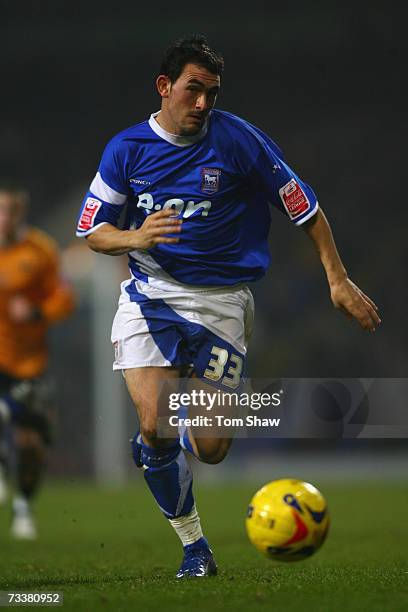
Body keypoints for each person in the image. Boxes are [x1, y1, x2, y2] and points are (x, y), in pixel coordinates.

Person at [76, 35, 381, 577]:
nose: (203, 104)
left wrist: (338, 280)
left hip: (223, 305)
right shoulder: (125, 150)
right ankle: (195, 548)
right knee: (155, 425)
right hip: (151, 298)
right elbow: (93, 233)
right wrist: (135, 238)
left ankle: (169, 440)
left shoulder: (239, 141)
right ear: (164, 87)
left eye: (212, 94)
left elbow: (304, 207)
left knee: (212, 448)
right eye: (193, 90)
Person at [0, 181, 75, 539]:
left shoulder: (40, 250)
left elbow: (64, 299)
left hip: (27, 362)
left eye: (10, 211)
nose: (4, 218)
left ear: (21, 212)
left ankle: (24, 505)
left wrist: (34, 311)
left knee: (30, 442)